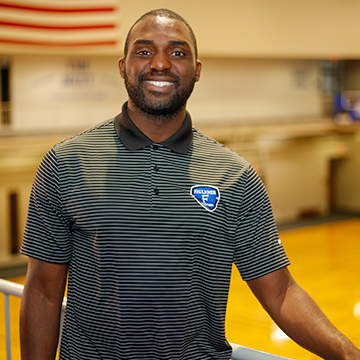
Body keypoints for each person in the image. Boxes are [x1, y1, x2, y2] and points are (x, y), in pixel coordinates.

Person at [19, 8, 360, 360]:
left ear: (197, 71)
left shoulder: (236, 175)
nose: (161, 64)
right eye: (145, 51)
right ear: (123, 66)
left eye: (178, 52)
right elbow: (43, 290)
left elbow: (281, 291)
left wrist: (348, 354)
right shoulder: (66, 163)